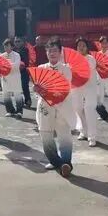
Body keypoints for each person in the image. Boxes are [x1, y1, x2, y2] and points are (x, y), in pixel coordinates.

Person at [37, 38, 75, 178]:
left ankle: (66, 163)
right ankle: (56, 162)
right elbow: (38, 88)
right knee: (46, 135)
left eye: (55, 51)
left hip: (62, 106)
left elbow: (65, 88)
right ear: (46, 53)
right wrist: (37, 89)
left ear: (60, 53)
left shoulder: (66, 69)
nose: (52, 53)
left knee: (64, 136)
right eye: (49, 51)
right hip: (45, 107)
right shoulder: (41, 68)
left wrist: (51, 90)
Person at [73, 38, 99, 147]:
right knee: (78, 108)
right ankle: (83, 131)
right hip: (77, 87)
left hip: (90, 88)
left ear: (87, 47)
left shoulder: (91, 59)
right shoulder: (73, 59)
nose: (81, 47)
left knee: (89, 109)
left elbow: (85, 71)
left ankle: (92, 137)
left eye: (83, 45)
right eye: (79, 45)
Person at [0, 39, 24, 118]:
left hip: (15, 77)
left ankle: (19, 111)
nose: (6, 48)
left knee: (17, 94)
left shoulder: (17, 55)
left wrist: (6, 64)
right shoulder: (1, 56)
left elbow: (16, 65)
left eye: (7, 46)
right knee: (6, 94)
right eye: (5, 46)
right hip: (5, 78)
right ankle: (10, 110)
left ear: (12, 47)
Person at [14, 37, 32, 108]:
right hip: (16, 72)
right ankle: (19, 101)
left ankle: (28, 101)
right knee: (17, 87)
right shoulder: (13, 50)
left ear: (22, 42)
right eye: (15, 41)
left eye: (18, 41)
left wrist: (19, 62)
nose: (17, 43)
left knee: (25, 86)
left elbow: (26, 61)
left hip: (24, 71)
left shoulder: (25, 50)